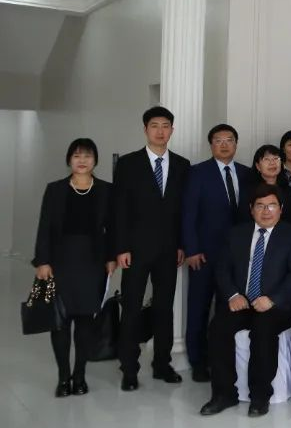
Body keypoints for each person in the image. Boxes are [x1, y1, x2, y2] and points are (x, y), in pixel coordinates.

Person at [200, 183, 291, 417]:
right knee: (218, 327)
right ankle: (223, 394)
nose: (266, 211)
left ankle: (260, 396)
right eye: (260, 206)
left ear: (281, 209)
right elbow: (222, 269)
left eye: (272, 205)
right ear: (251, 209)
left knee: (263, 329)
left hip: (277, 305)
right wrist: (233, 295)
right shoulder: (236, 233)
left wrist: (272, 299)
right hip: (243, 301)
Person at [112, 106, 190, 391]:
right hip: (135, 249)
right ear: (145, 129)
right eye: (154, 125)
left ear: (172, 130)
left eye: (165, 126)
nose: (160, 131)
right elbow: (119, 209)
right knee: (131, 308)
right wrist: (121, 247)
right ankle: (129, 368)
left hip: (169, 249)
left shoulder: (182, 165)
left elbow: (183, 210)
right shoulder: (128, 164)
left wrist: (181, 244)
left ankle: (162, 364)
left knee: (164, 308)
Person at [32, 138, 114, 397]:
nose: (82, 160)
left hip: (92, 262)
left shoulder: (106, 190)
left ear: (95, 160)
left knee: (86, 321)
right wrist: (42, 261)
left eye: (87, 156)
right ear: (69, 159)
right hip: (60, 262)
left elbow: (112, 228)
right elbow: (44, 226)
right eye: (77, 155)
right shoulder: (55, 189)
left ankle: (80, 376)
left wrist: (111, 257)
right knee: (60, 321)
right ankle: (63, 377)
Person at [181, 123, 253, 382]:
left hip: (237, 257)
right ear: (211, 145)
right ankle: (198, 361)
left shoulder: (247, 173)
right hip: (204, 254)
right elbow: (188, 214)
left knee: (229, 311)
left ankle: (223, 360)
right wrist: (191, 249)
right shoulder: (197, 173)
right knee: (199, 308)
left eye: (229, 140)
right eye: (218, 140)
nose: (224, 145)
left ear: (236, 144)